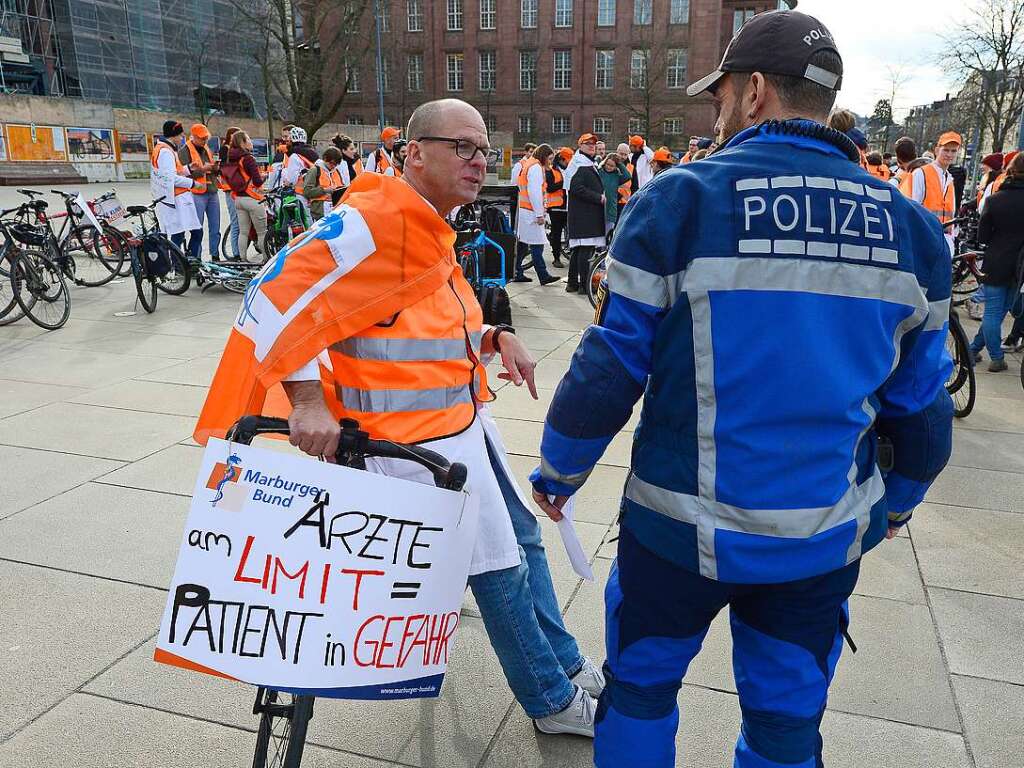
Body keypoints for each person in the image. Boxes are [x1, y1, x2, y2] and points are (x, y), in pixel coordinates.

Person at [531, 11, 953, 767]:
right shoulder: (914, 231)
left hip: (676, 533)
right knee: (787, 725)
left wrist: (559, 472)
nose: (716, 110)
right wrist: (898, 502)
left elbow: (609, 367)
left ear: (754, 91)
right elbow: (921, 411)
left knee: (638, 695)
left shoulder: (679, 200)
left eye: (720, 93)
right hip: (819, 539)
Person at [194, 98, 604, 738]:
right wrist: (307, 401)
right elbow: (266, 295)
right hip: (412, 447)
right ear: (415, 152)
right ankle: (551, 701)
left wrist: (493, 337)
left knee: (521, 538)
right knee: (497, 569)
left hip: (462, 425)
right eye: (461, 147)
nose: (477, 161)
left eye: (483, 149)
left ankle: (567, 663)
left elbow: (426, 314)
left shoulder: (426, 222)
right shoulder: (374, 222)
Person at [969, 151, 1024, 371]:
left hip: (996, 260)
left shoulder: (994, 199)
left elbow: (982, 237)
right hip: (1020, 265)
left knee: (993, 311)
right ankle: (995, 355)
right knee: (1000, 311)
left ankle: (975, 349)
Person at [902, 131, 960, 253]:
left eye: (953, 151)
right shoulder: (921, 174)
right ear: (937, 150)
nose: (949, 154)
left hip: (942, 241)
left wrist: (951, 239)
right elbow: (911, 207)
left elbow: (951, 213)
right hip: (923, 239)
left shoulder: (949, 179)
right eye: (946, 150)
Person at [563, 133, 607, 294]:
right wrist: (598, 198)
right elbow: (576, 188)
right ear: (580, 145)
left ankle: (573, 283)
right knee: (584, 250)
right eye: (588, 143)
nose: (591, 146)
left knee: (579, 250)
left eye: (593, 144)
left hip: (584, 214)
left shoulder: (585, 161)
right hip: (584, 214)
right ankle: (583, 285)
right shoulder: (579, 163)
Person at [514, 143, 560, 285]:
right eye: (550, 158)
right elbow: (534, 192)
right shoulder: (535, 168)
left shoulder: (529, 165)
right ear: (544, 156)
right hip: (531, 212)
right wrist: (540, 214)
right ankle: (543, 275)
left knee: (524, 244)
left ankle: (517, 271)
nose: (550, 162)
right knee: (537, 244)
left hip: (525, 210)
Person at [149, 119, 199, 251]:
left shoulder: (165, 149)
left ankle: (182, 265)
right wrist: (193, 183)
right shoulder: (166, 151)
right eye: (181, 135)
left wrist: (188, 169)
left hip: (173, 197)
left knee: (181, 233)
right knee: (186, 233)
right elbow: (171, 178)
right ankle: (184, 265)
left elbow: (173, 171)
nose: (183, 138)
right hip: (176, 198)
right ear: (174, 135)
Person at [178, 123, 220, 263]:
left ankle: (215, 256)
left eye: (206, 138)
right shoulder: (185, 151)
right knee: (197, 229)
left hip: (212, 191)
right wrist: (203, 169)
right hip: (197, 193)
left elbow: (210, 168)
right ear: (194, 137)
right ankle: (197, 258)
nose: (205, 141)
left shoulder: (206, 148)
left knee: (215, 227)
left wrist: (214, 168)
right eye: (202, 139)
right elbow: (183, 174)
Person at [225, 130, 266, 263]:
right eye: (248, 139)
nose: (251, 142)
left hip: (238, 199)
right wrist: (264, 177)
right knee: (261, 233)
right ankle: (265, 260)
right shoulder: (248, 158)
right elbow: (257, 181)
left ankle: (242, 260)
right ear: (242, 143)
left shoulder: (231, 157)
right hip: (252, 199)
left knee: (243, 232)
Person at [299, 146, 344, 220]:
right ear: (325, 158)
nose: (333, 166)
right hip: (320, 212)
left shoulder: (336, 172)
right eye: (332, 163)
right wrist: (325, 190)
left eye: (336, 164)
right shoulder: (315, 170)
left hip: (335, 211)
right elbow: (307, 192)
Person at [545, 147, 571, 267]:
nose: (568, 163)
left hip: (568, 207)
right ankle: (556, 258)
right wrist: (564, 183)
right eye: (567, 161)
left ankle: (567, 252)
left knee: (569, 232)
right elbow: (549, 187)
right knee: (557, 233)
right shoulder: (551, 171)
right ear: (561, 159)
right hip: (556, 207)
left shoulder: (570, 170)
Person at [218, 126, 242, 260]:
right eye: (235, 136)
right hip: (230, 190)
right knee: (236, 222)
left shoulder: (237, 150)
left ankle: (239, 251)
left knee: (240, 222)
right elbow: (225, 169)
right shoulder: (226, 149)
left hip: (238, 190)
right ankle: (235, 253)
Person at [597, 153, 631, 239]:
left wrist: (619, 163)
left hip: (611, 209)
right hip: (599, 207)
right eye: (608, 164)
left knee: (608, 234)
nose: (609, 167)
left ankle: (605, 250)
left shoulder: (617, 176)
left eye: (612, 166)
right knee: (598, 234)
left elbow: (628, 176)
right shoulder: (599, 172)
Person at [331, 134, 363, 200]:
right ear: (343, 151)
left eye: (354, 148)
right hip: (343, 199)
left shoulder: (356, 161)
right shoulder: (338, 165)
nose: (355, 151)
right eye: (351, 149)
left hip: (355, 197)